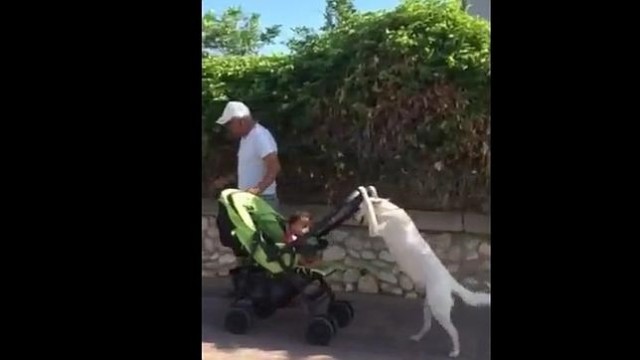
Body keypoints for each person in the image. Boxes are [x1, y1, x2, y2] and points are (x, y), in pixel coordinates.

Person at [212, 101, 282, 210]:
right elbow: (249, 167)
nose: (228, 128)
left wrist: (257, 189)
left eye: (230, 124)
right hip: (248, 198)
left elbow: (274, 167)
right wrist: (227, 180)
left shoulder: (260, 137)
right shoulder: (246, 138)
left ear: (241, 122)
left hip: (262, 199)